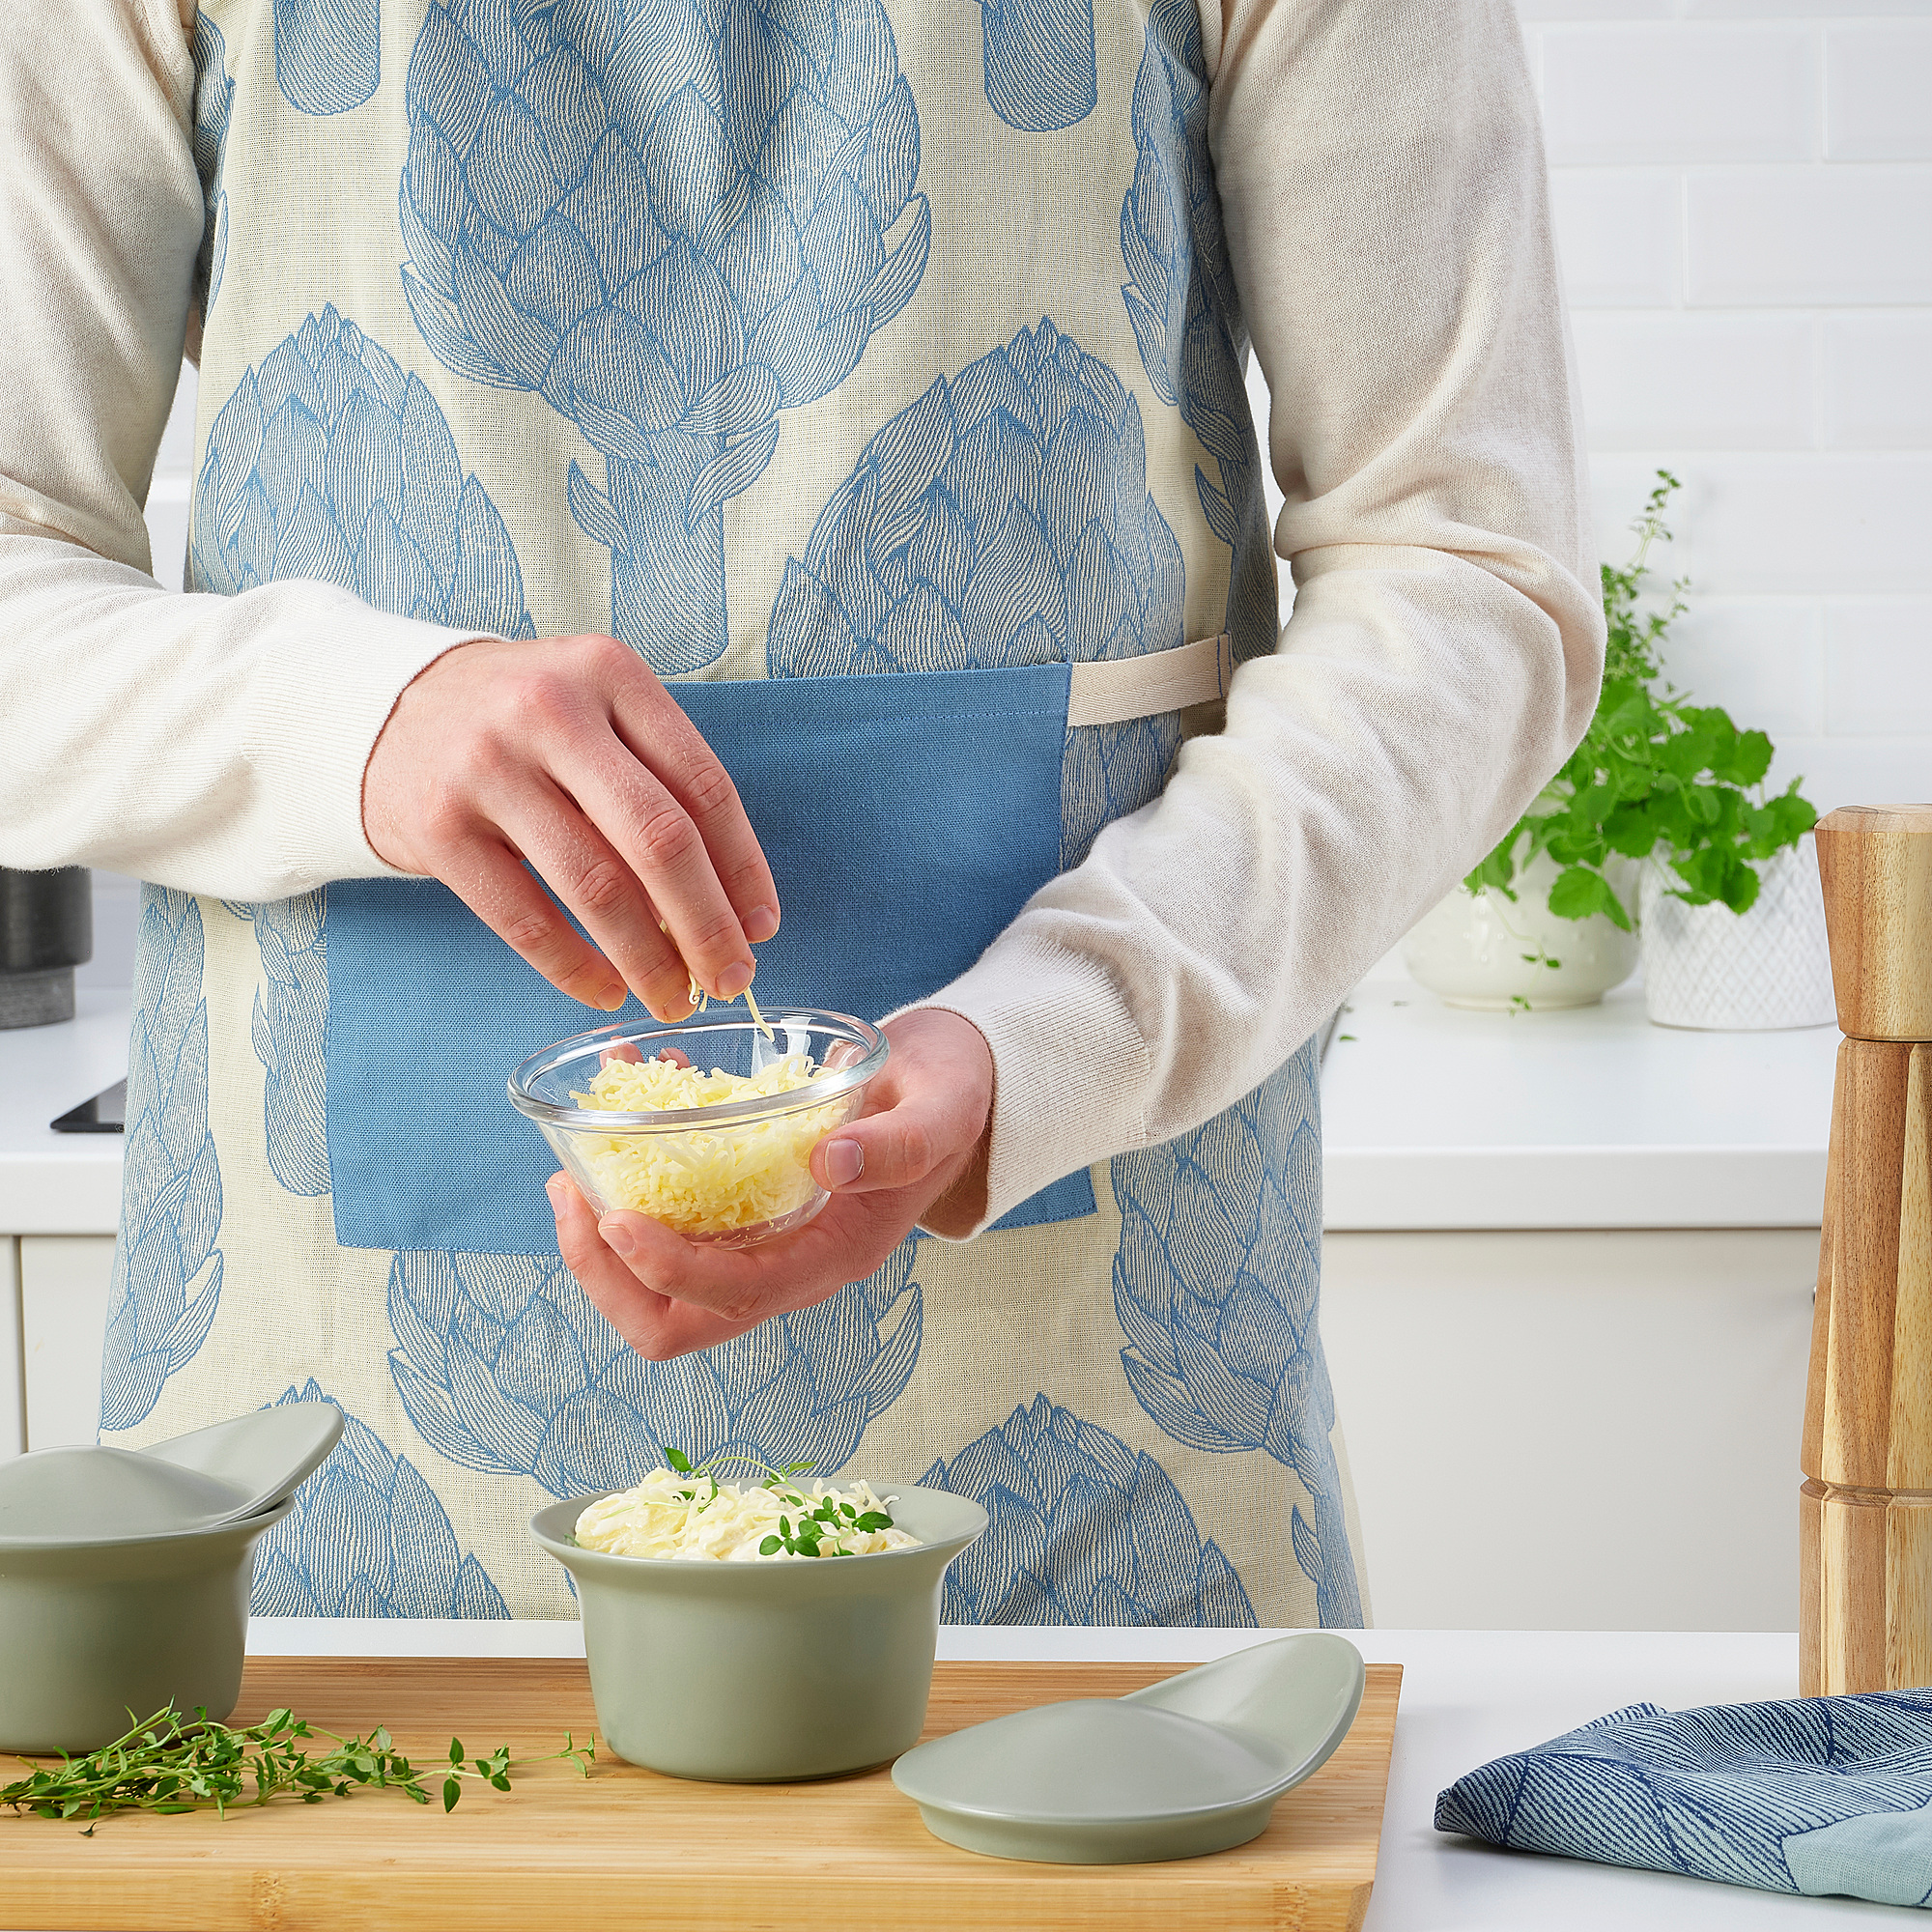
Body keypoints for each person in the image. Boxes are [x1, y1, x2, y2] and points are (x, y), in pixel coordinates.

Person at [0, 0, 1603, 1624]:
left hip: (1095, 1461)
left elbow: (1464, 574)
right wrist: (357, 722)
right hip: (321, 1480)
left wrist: (1052, 1036)